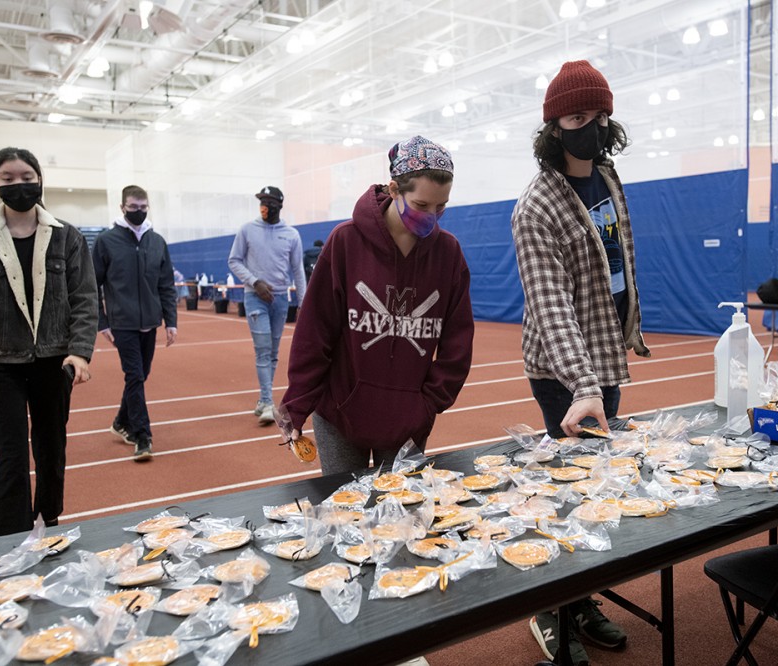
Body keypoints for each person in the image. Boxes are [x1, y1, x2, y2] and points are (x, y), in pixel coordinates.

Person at [511, 60, 651, 666]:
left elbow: (619, 265)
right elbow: (551, 309)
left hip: (606, 361)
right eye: (575, 118)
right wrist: (584, 386)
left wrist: (628, 338)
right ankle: (551, 611)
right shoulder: (535, 207)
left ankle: (582, 600)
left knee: (598, 489)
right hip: (563, 374)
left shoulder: (610, 179)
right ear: (552, 127)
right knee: (567, 493)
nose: (588, 127)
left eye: (597, 116)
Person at [281, 136, 474, 476]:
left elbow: (457, 343)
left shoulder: (449, 254)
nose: (432, 216)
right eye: (421, 205)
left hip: (408, 420)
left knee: (401, 519)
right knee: (343, 513)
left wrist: (427, 405)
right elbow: (315, 331)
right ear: (395, 189)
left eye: (441, 206)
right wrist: (298, 403)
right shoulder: (345, 242)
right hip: (340, 413)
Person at [0, 146, 97, 537]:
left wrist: (80, 352)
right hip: (0, 366)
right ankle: (9, 540)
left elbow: (84, 298)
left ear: (40, 181)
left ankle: (47, 523)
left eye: (26, 177)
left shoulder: (68, 237)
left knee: (52, 453)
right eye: (9, 179)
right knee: (11, 458)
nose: (19, 185)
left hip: (54, 362)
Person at [92, 185, 177, 461]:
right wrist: (101, 322)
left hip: (149, 322)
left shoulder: (157, 242)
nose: (138, 212)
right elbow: (93, 285)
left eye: (143, 207)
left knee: (141, 376)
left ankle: (120, 422)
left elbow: (166, 285)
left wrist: (171, 321)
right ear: (122, 207)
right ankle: (142, 435)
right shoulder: (106, 242)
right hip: (122, 323)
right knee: (135, 376)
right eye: (133, 207)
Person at [228, 186, 307, 426]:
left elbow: (297, 270)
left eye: (269, 202)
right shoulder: (247, 230)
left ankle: (263, 400)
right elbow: (234, 260)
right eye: (261, 202)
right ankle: (266, 400)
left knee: (272, 353)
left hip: (280, 300)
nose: (264, 206)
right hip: (255, 298)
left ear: (279, 205)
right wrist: (255, 282)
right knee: (263, 349)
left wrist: (303, 303)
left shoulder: (291, 234)